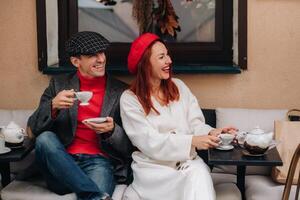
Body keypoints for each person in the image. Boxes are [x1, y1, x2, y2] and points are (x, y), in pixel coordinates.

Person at [120, 33, 237, 200]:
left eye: (167, 54)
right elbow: (149, 141)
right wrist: (191, 141)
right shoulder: (130, 99)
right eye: (161, 57)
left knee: (198, 174)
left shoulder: (179, 87)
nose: (169, 60)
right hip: (154, 171)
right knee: (194, 177)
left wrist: (212, 132)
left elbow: (195, 124)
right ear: (145, 63)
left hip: (188, 164)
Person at [28, 31, 133, 200]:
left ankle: (93, 195)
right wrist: (53, 106)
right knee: (45, 138)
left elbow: (129, 147)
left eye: (102, 53)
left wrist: (113, 130)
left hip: (99, 162)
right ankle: (95, 195)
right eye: (92, 55)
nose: (101, 59)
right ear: (76, 61)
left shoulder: (121, 91)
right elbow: (31, 130)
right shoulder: (58, 85)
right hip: (61, 162)